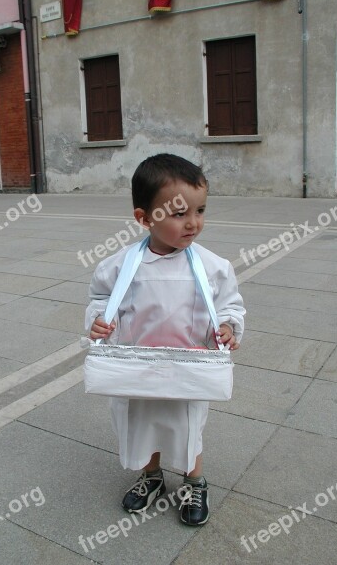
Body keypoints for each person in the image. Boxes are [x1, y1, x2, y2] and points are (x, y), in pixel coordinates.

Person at [85, 153, 245, 526]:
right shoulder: (119, 267)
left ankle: (193, 481)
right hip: (136, 368)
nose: (193, 223)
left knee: (187, 426)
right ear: (144, 218)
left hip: (187, 369)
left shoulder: (213, 267)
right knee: (142, 424)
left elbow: (229, 304)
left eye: (200, 210)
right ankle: (151, 476)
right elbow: (99, 299)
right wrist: (97, 321)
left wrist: (228, 326)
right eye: (178, 214)